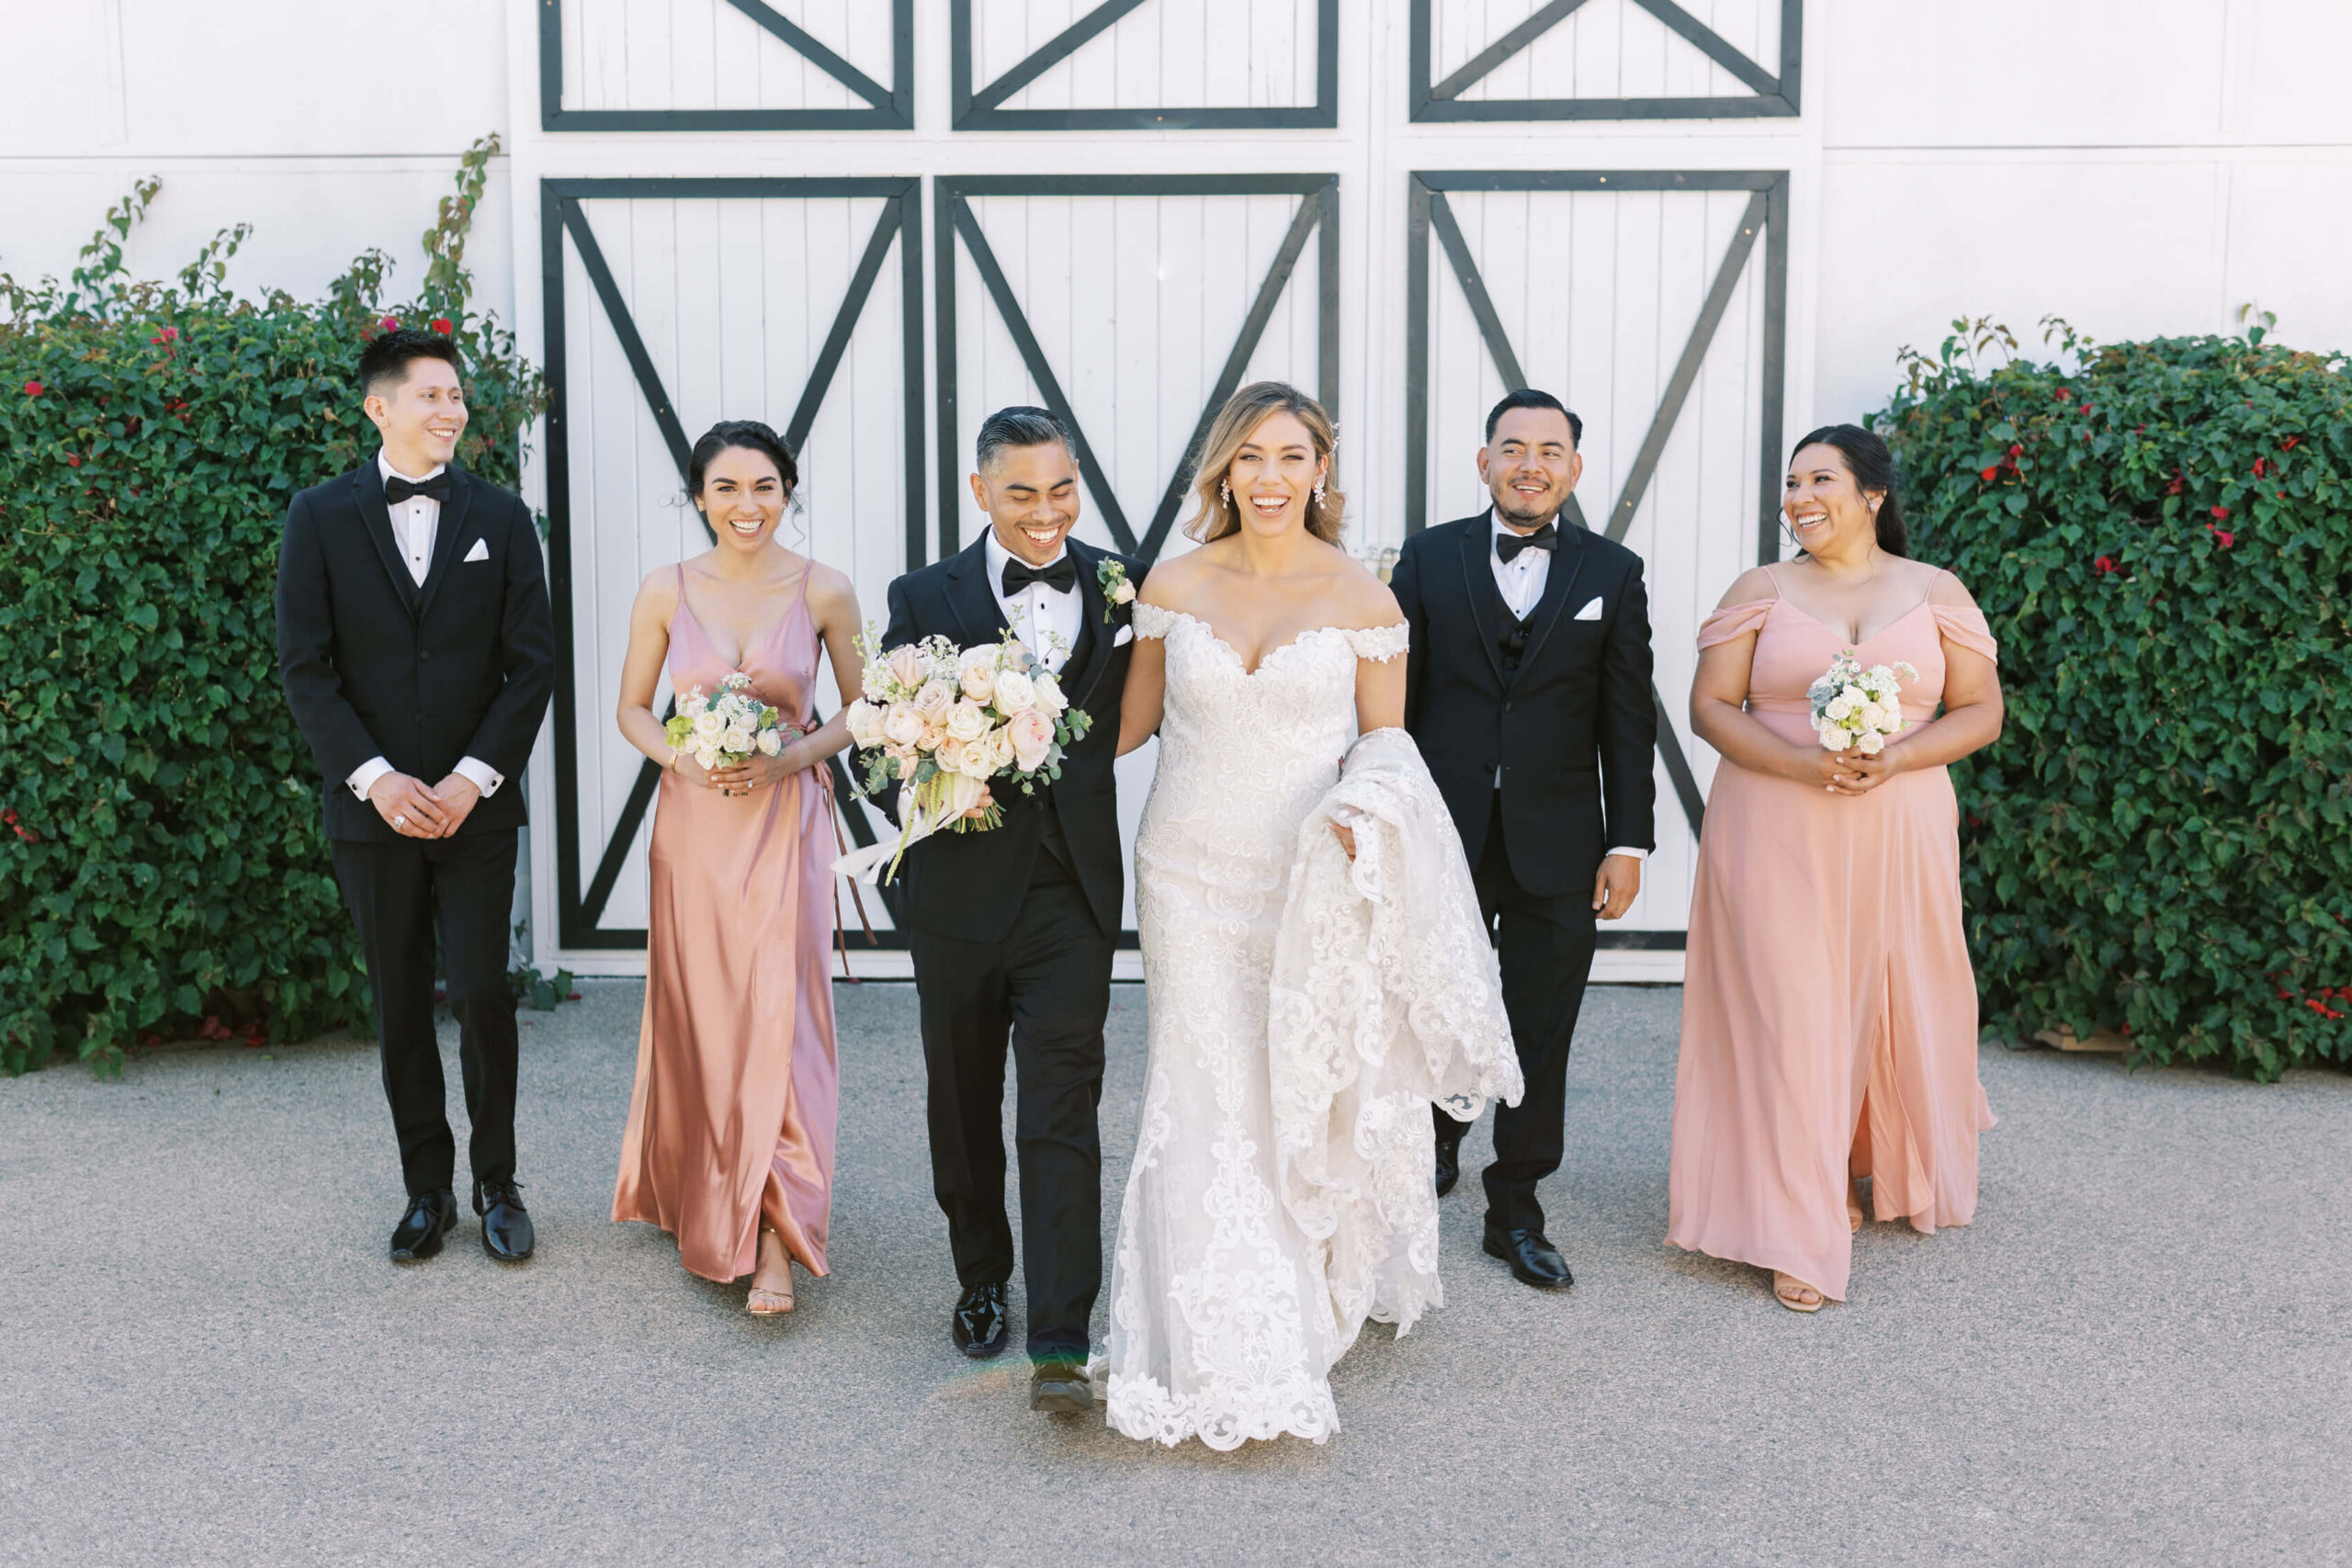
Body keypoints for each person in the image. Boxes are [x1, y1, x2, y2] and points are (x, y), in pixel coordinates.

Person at [1100, 381, 1521, 1449]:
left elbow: (1387, 747)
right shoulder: (1173, 583)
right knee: (1200, 1089)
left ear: (1321, 470)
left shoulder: (1366, 601)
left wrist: (1359, 808)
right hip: (1183, 874)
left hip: (1300, 880)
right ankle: (1196, 1334)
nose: (1271, 477)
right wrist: (992, 722)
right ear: (1223, 473)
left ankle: (1286, 1307)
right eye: (1250, 458)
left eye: (1291, 457)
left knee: (1286, 1080)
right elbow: (1126, 728)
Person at [1668, 423, 2004, 1312]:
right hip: (1773, 823)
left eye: (1821, 479)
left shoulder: (1936, 592)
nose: (1800, 498)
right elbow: (1710, 705)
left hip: (1901, 825)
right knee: (1791, 1007)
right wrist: (1801, 764)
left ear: (1873, 495)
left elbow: (1981, 711)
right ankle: (1797, 1221)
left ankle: (1856, 1162)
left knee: (1886, 993)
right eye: (1791, 483)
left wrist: (1899, 756)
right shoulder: (1762, 589)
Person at [866, 407, 1142, 1412]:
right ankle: (982, 1275)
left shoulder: (1121, 582)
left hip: (1073, 889)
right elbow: (877, 739)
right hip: (955, 891)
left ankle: (1062, 1337)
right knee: (963, 1097)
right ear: (980, 492)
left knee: (1062, 1106)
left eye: (1062, 488)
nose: (1046, 513)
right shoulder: (920, 594)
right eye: (1021, 492)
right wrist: (935, 782)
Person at [276, 327, 556, 1264]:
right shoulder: (317, 517)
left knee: (482, 992)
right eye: (431, 395)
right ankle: (425, 1189)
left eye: (457, 396)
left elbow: (531, 668)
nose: (451, 411)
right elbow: (306, 669)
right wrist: (376, 779)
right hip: (372, 811)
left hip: (476, 809)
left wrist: (474, 779)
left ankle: (497, 1183)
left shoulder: (504, 518)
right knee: (399, 1001)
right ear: (379, 405)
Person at [1388, 389, 1657, 1290]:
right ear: (1484, 461)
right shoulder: (1427, 560)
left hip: (1559, 840)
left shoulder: (1612, 573)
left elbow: (1626, 721)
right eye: (1513, 447)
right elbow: (1391, 706)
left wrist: (1630, 842)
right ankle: (1434, 1136)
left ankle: (1516, 1206)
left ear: (1573, 469)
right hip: (1442, 832)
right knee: (1430, 1005)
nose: (1530, 464)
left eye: (1550, 450)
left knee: (1541, 1026)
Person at [609, 422, 865, 1314]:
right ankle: (701, 1188)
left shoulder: (827, 589)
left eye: (763, 486)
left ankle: (772, 1234)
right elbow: (633, 709)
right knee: (705, 1016)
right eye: (726, 488)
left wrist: (790, 758)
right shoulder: (663, 591)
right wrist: (681, 758)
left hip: (786, 826)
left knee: (779, 1019)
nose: (746, 506)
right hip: (695, 833)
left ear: (787, 489)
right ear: (699, 496)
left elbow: (862, 713)